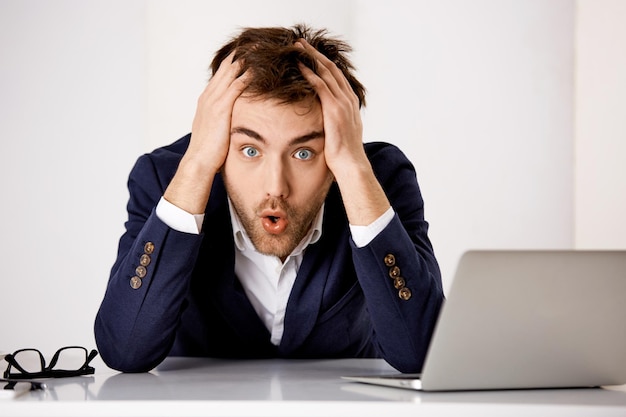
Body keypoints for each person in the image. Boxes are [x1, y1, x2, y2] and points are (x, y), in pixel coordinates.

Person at [94, 24, 444, 374]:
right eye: (250, 150)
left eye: (304, 153)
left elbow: (422, 354)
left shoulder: (378, 179)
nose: (275, 186)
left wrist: (353, 170)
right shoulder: (166, 179)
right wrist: (198, 164)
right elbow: (125, 350)